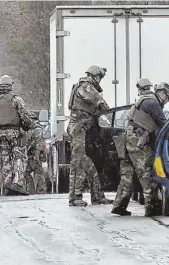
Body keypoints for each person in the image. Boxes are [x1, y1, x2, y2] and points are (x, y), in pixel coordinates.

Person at [111, 82, 169, 216]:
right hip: (138, 142)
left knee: (127, 175)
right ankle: (152, 207)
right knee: (146, 173)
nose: (167, 100)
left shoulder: (143, 101)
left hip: (128, 140)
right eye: (167, 97)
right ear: (162, 93)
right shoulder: (153, 104)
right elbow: (164, 123)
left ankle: (119, 205)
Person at [67, 65, 113, 206]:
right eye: (99, 77)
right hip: (78, 128)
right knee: (78, 162)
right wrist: (111, 112)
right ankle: (75, 197)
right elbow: (100, 103)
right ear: (94, 76)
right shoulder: (86, 86)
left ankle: (97, 196)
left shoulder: (85, 87)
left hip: (84, 128)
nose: (99, 80)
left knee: (89, 164)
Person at [0, 75, 36, 196]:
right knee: (20, 157)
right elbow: (25, 116)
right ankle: (17, 184)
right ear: (10, 86)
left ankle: (7, 184)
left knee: (6, 159)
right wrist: (30, 126)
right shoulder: (16, 99)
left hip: (0, 134)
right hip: (15, 133)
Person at [25, 118, 47, 194]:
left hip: (34, 154)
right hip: (30, 154)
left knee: (38, 172)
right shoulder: (31, 129)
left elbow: (39, 142)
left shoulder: (37, 129)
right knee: (26, 172)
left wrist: (37, 155)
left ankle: (40, 190)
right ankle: (32, 190)